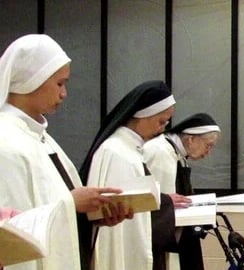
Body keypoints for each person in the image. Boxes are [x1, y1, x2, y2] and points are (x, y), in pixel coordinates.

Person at [0, 34, 131, 270]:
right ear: (31, 79)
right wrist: (71, 203)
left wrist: (90, 216)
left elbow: (52, 206)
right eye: (59, 83)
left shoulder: (42, 139)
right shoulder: (6, 142)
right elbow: (11, 233)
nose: (64, 94)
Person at [80, 80, 179, 270]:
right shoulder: (116, 152)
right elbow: (112, 233)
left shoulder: (130, 149)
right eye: (161, 121)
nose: (163, 128)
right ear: (144, 115)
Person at [143, 113, 221, 270]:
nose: (208, 152)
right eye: (208, 145)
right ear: (191, 139)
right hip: (160, 242)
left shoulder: (177, 154)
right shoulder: (160, 152)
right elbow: (160, 209)